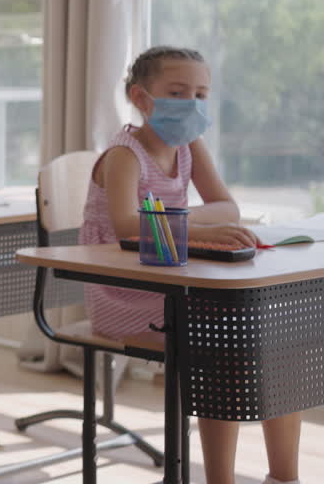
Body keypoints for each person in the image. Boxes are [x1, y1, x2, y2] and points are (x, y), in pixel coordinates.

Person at [81, 46, 298, 484]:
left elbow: (228, 208)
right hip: (122, 290)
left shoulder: (189, 147)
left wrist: (180, 224)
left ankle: (284, 477)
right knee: (224, 345)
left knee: (279, 340)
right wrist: (192, 225)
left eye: (202, 94)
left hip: (170, 277)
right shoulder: (124, 154)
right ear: (141, 98)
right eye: (179, 92)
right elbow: (126, 226)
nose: (194, 104)